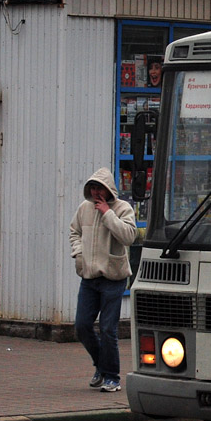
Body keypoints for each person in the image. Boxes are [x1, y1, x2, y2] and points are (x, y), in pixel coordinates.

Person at [70, 168, 137, 393]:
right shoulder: (84, 209)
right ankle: (101, 365)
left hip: (113, 278)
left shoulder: (123, 209)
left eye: (100, 188)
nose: (96, 192)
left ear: (109, 190)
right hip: (89, 278)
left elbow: (129, 236)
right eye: (93, 188)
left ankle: (112, 377)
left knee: (108, 329)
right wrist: (79, 255)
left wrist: (108, 213)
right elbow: (74, 232)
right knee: (82, 326)